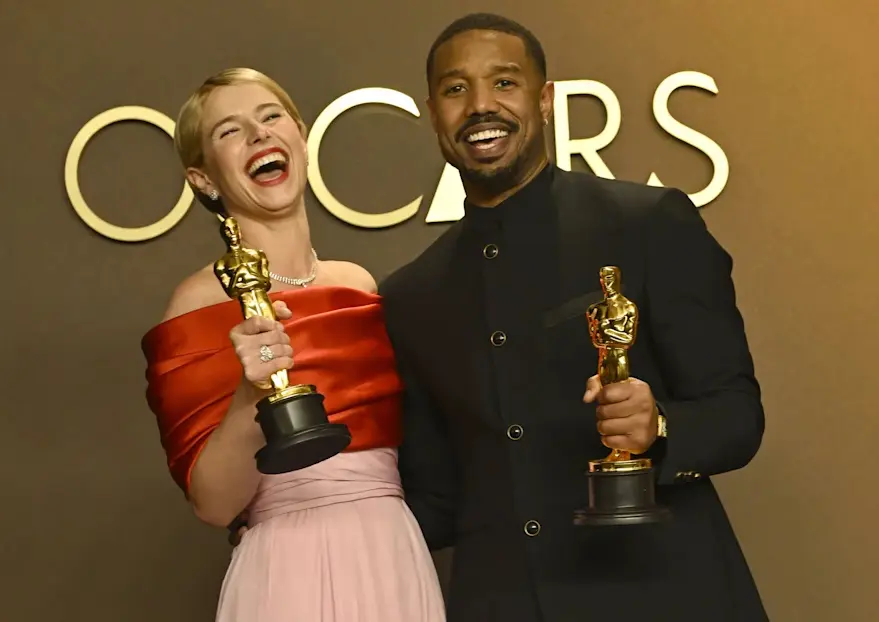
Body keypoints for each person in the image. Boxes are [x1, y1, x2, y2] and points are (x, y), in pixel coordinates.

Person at [376, 12, 769, 622]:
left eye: (504, 82)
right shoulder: (409, 296)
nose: (480, 106)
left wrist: (660, 425)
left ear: (546, 99)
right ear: (433, 114)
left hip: (662, 596)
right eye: (456, 89)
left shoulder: (648, 225)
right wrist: (305, 514)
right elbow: (439, 496)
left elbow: (737, 415)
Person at [140, 67, 445, 622]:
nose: (258, 134)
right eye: (230, 131)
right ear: (203, 179)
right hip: (289, 566)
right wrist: (250, 394)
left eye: (270, 116)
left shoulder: (359, 285)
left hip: (393, 556)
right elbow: (213, 504)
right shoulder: (197, 304)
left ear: (301, 137)